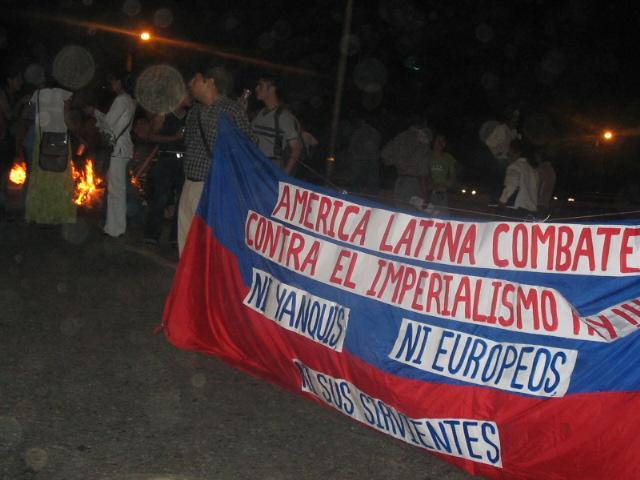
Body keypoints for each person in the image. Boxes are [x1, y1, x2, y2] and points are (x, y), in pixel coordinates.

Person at [178, 65, 256, 256]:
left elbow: (249, 145)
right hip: (190, 181)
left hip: (213, 185)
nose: (191, 83)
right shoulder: (195, 110)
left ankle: (206, 280)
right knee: (186, 234)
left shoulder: (231, 110)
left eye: (196, 79)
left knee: (208, 239)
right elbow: (189, 142)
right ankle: (187, 280)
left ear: (210, 82)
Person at [84, 71, 136, 238]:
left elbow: (108, 123)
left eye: (113, 80)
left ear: (120, 82)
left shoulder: (121, 100)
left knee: (115, 191)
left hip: (118, 149)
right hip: (123, 148)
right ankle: (115, 227)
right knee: (117, 190)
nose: (112, 84)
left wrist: (95, 113)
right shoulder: (130, 100)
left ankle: (115, 228)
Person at [24, 79, 76, 225]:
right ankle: (58, 215)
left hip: (42, 139)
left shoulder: (37, 94)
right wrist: (77, 131)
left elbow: (31, 112)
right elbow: (67, 118)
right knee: (60, 176)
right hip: (60, 138)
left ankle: (40, 213)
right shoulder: (65, 94)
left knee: (42, 175)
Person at [143, 93, 191, 247]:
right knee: (160, 198)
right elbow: (150, 136)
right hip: (166, 160)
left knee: (181, 201)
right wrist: (173, 138)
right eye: (187, 94)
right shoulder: (165, 114)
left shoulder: (190, 116)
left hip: (184, 160)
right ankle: (152, 234)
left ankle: (175, 237)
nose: (190, 97)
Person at [251, 75, 303, 175]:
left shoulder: (284, 117)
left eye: (261, 86)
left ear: (272, 89)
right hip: (255, 163)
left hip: (271, 166)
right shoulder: (259, 114)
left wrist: (284, 174)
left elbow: (296, 148)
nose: (256, 88)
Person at [380, 121, 431, 208]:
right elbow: (423, 172)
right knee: (416, 212)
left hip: (400, 182)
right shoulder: (422, 139)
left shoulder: (401, 137)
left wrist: (399, 162)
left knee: (400, 212)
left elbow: (385, 155)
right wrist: (425, 196)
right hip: (414, 184)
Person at [498, 139, 539, 213]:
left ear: (517, 152)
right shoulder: (533, 170)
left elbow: (511, 185)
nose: (508, 154)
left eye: (510, 151)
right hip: (532, 209)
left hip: (517, 208)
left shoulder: (514, 167)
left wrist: (502, 201)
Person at [348, 117, 381, 195]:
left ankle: (355, 196)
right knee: (371, 181)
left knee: (357, 181)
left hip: (360, 159)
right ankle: (370, 198)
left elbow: (351, 145)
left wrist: (353, 153)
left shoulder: (358, 132)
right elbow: (378, 145)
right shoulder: (376, 133)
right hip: (372, 160)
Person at [428, 133, 457, 214]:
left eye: (443, 141)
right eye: (438, 140)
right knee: (426, 218)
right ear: (433, 142)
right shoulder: (427, 156)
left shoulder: (449, 158)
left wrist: (439, 185)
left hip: (442, 195)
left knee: (443, 219)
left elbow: (453, 178)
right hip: (427, 194)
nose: (441, 143)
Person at [535, 149, 556, 215]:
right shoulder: (551, 169)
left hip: (538, 202)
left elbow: (539, 185)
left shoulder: (541, 169)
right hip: (545, 202)